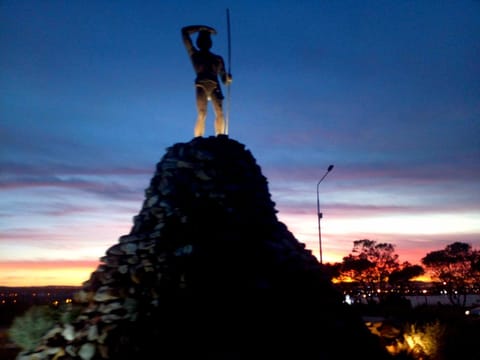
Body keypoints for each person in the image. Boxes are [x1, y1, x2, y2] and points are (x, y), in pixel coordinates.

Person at [181, 25, 232, 137]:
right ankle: (198, 137)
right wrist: (201, 28)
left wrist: (228, 78)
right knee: (202, 113)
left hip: (215, 85)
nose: (205, 41)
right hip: (201, 84)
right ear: (199, 41)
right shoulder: (195, 54)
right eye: (203, 38)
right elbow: (184, 33)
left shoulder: (217, 59)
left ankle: (220, 136)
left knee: (219, 113)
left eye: (207, 39)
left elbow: (224, 79)